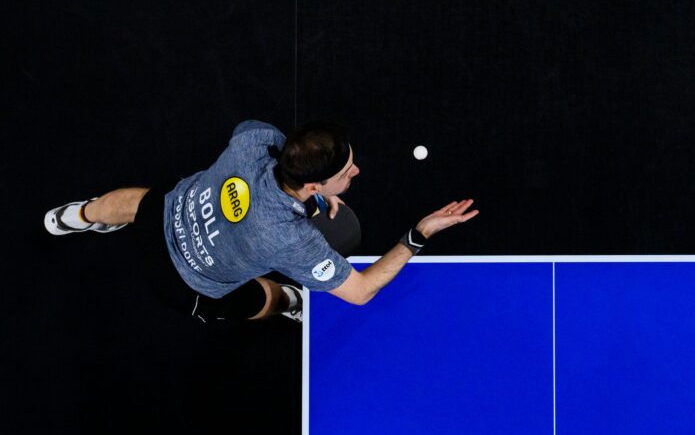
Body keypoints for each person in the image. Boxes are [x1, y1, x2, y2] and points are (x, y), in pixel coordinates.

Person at [44, 120, 479, 323]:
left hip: (166, 214)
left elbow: (262, 139)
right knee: (263, 298)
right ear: (313, 187)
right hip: (182, 283)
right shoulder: (291, 242)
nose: (357, 173)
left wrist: (314, 194)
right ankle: (292, 304)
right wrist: (419, 234)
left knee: (142, 202)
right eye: (347, 172)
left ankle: (77, 215)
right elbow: (362, 292)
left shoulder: (254, 140)